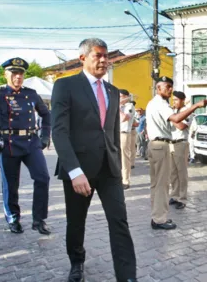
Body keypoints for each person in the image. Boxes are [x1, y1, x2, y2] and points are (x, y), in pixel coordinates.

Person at [51, 38, 137, 282]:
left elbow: (110, 133)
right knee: (76, 223)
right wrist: (74, 171)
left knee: (119, 221)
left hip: (109, 168)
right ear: (82, 58)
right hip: (79, 170)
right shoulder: (65, 86)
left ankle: (127, 276)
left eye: (106, 56)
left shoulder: (112, 90)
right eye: (98, 55)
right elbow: (59, 131)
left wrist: (120, 168)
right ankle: (77, 261)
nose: (104, 60)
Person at [0, 57, 51, 235]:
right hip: (8, 145)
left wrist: (45, 137)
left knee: (43, 178)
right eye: (14, 73)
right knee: (11, 184)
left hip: (31, 143)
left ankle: (39, 219)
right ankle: (13, 217)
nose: (18, 77)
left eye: (20, 74)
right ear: (6, 74)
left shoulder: (31, 94)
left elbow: (46, 115)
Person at [146, 76, 207, 230]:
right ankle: (159, 219)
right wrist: (196, 106)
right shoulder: (160, 103)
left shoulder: (154, 103)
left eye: (171, 86)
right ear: (158, 88)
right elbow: (176, 119)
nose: (170, 89)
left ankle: (157, 215)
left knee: (157, 184)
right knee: (162, 184)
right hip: (161, 145)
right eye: (167, 86)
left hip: (157, 145)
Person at [168, 91, 190, 210]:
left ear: (182, 100)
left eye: (176, 100)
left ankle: (183, 198)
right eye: (173, 99)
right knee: (173, 172)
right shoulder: (173, 112)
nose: (174, 102)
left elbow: (181, 126)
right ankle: (175, 195)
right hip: (171, 143)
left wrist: (170, 118)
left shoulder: (187, 111)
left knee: (182, 172)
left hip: (181, 143)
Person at [119, 89, 135, 189]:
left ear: (125, 97)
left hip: (124, 133)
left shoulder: (130, 106)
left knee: (124, 158)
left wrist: (117, 108)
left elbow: (124, 118)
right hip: (114, 133)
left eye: (120, 96)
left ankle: (125, 180)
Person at [129, 100, 139, 170]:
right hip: (124, 131)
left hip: (131, 131)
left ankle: (132, 163)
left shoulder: (135, 113)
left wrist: (129, 123)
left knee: (132, 148)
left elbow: (137, 123)